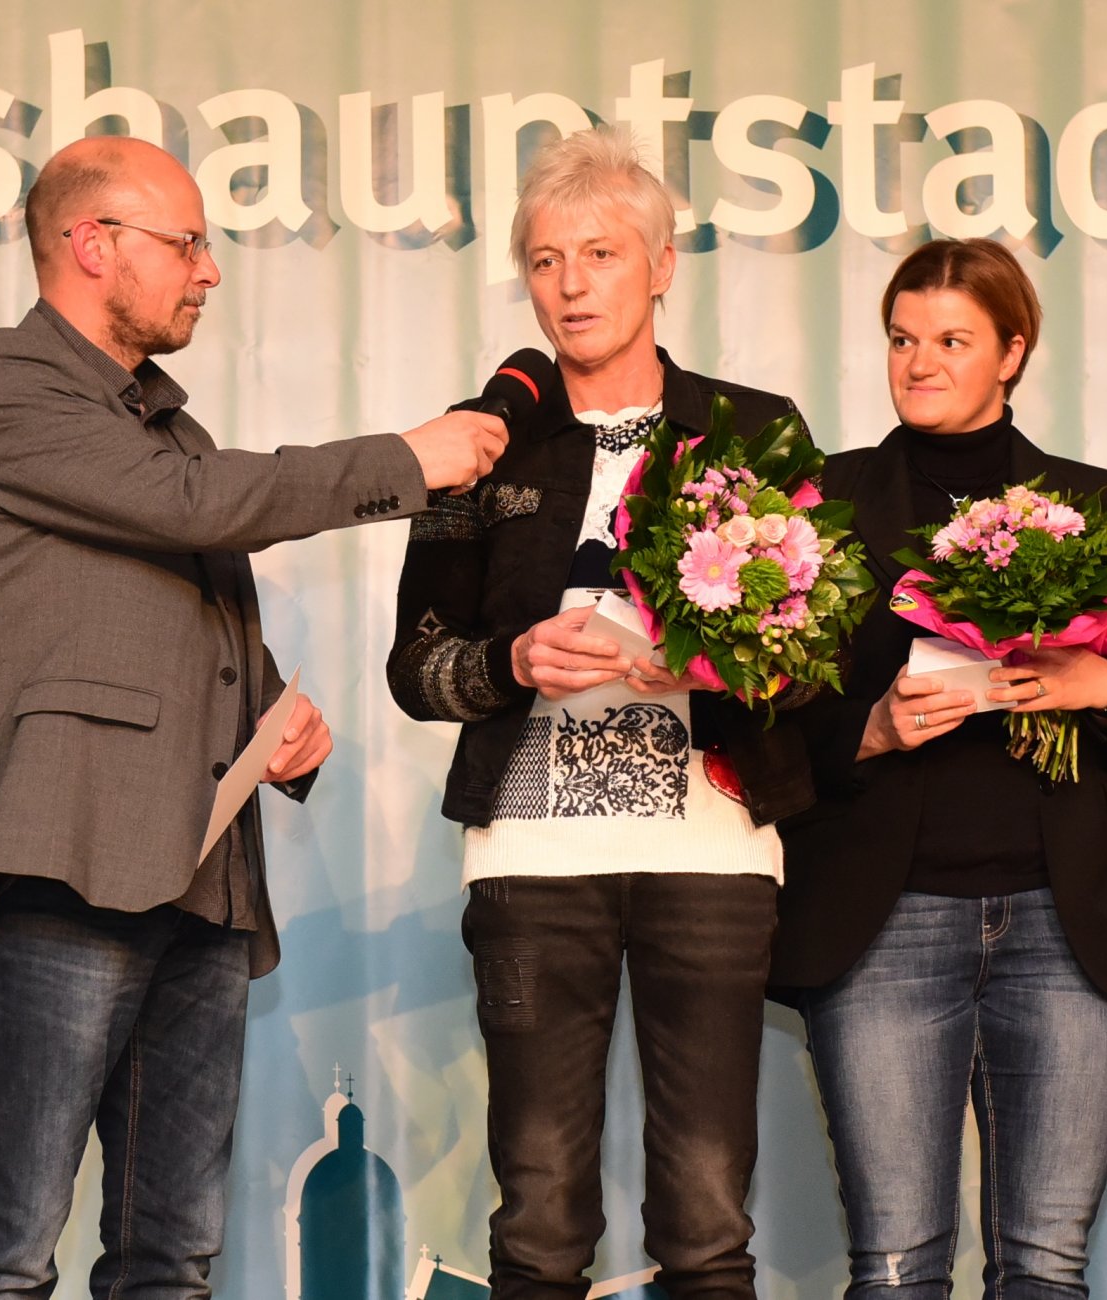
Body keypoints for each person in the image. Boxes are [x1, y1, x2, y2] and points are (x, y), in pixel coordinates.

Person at [0, 136, 504, 1299]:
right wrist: (406, 459)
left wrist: (274, 723)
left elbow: (178, 602)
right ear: (93, 245)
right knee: (7, 1250)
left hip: (201, 881)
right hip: (60, 867)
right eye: (186, 242)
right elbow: (194, 504)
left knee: (172, 1259)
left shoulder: (163, 428)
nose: (209, 271)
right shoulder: (1, 384)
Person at [385, 127, 814, 1299]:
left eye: (601, 253)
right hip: (531, 860)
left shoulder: (753, 429)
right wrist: (514, 658)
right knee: (537, 1217)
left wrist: (713, 656)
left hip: (714, 857)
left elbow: (818, 654)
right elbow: (414, 667)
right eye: (543, 260)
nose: (570, 284)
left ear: (663, 264)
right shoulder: (481, 442)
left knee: (709, 1221)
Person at [768, 237, 1107, 1296]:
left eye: (951, 340)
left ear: (1012, 351)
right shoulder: (822, 501)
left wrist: (1096, 685)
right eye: (902, 339)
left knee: (1046, 1266)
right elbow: (763, 724)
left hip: (1066, 918)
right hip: (885, 916)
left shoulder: (1094, 503)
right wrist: (869, 730)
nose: (918, 363)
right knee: (897, 1265)